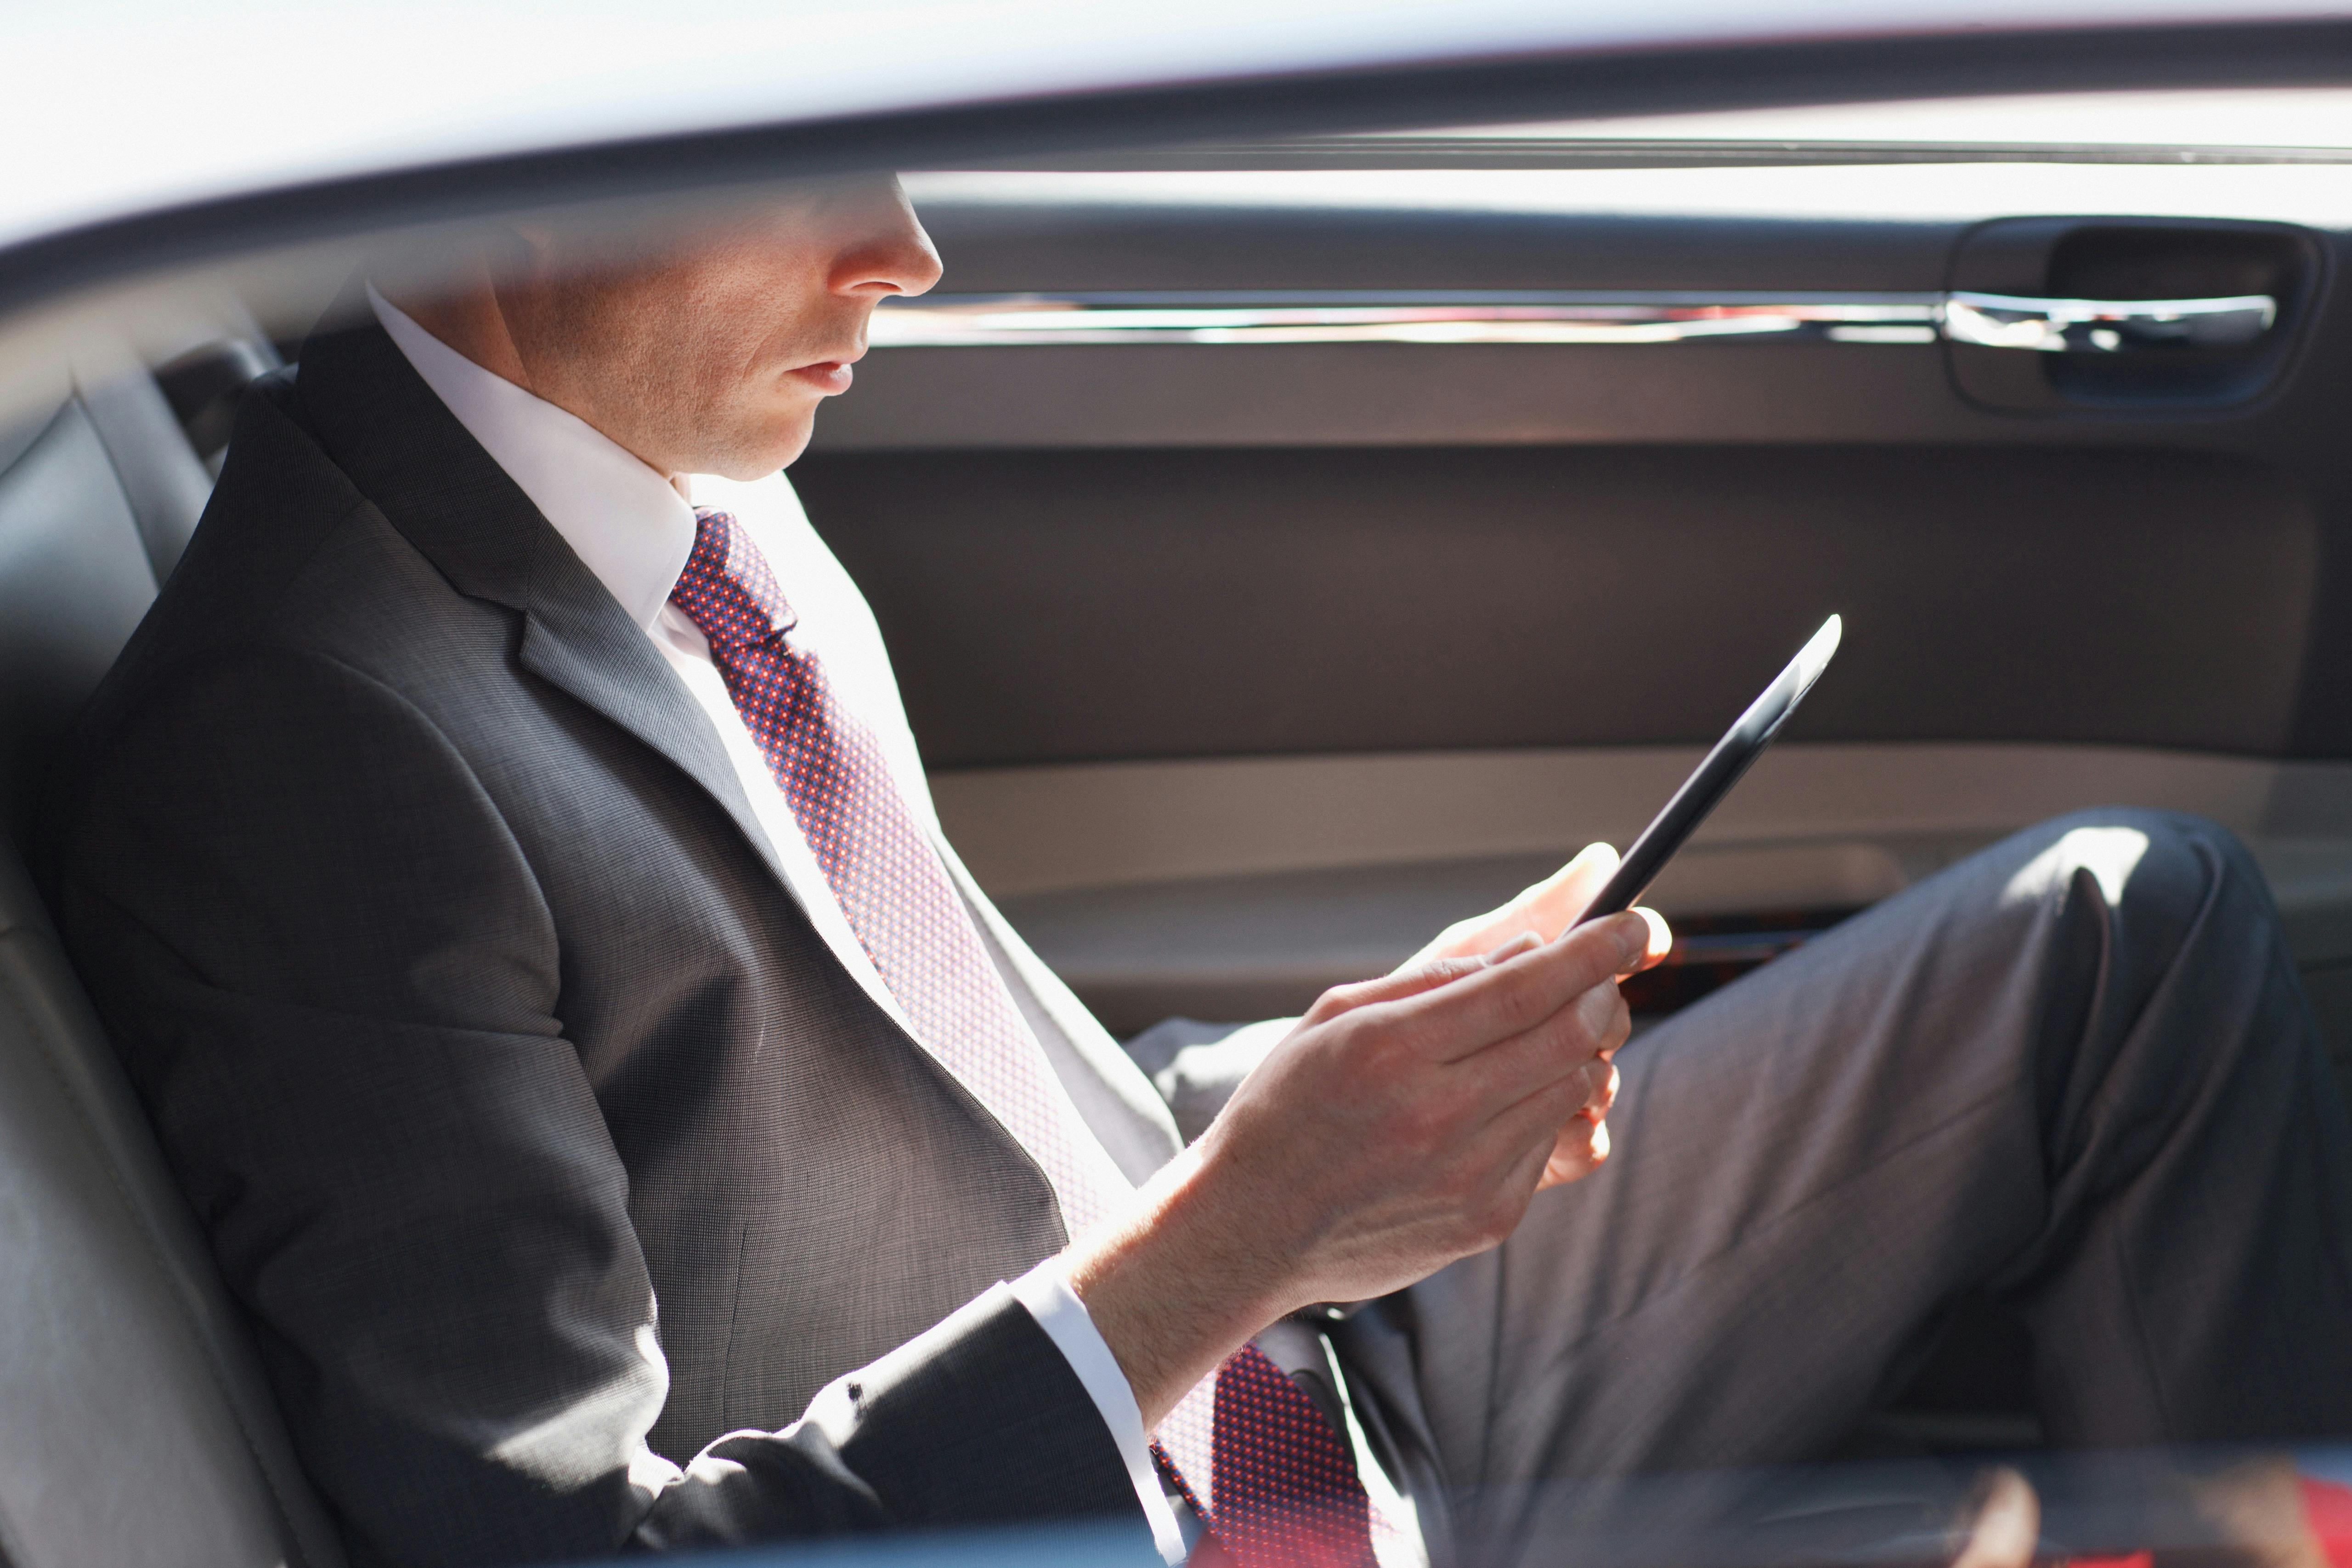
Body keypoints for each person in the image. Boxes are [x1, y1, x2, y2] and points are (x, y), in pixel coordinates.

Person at [51, 175, 2352, 1568]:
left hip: (1303, 1371)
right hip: (1114, 1485)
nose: (913, 256)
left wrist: (1327, 1090)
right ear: (528, 179)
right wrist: (1240, 1230)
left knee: (2125, 935)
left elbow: (934, 1059)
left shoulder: (682, 469)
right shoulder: (310, 738)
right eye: (808, 170)